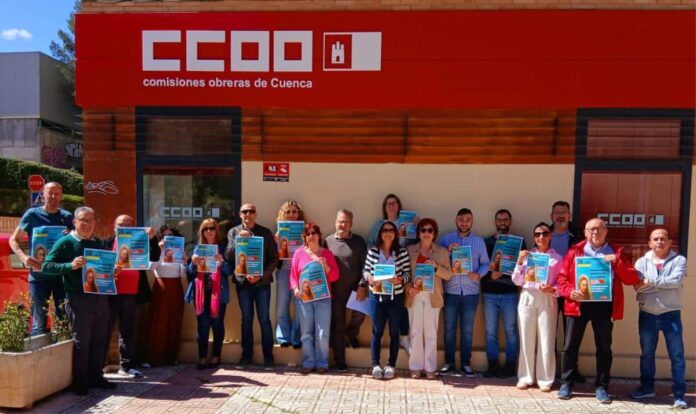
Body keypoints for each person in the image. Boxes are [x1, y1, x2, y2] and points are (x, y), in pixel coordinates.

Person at [556, 218, 640, 404]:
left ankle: (602, 386)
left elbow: (631, 278)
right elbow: (562, 279)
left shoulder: (616, 252)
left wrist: (617, 262)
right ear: (585, 233)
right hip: (578, 304)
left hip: (603, 305)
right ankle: (566, 383)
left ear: (606, 231)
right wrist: (570, 292)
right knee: (570, 346)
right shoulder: (575, 251)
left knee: (604, 347)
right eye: (591, 229)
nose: (595, 232)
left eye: (599, 228)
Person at [42, 206, 119, 395]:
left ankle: (96, 376)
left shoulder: (99, 243)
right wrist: (70, 265)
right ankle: (80, 381)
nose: (87, 224)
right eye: (83, 220)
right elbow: (46, 266)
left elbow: (103, 269)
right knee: (82, 340)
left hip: (100, 296)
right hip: (78, 298)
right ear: (75, 222)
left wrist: (113, 272)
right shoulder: (65, 242)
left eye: (90, 220)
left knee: (100, 339)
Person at [630, 229, 688, 410]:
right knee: (647, 354)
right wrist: (660, 284)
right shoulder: (641, 262)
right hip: (647, 314)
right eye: (656, 239)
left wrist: (650, 282)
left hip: (671, 314)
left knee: (677, 356)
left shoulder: (679, 260)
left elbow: (675, 282)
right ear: (650, 243)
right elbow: (637, 287)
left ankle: (679, 395)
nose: (659, 242)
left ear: (669, 242)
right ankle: (647, 389)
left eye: (663, 239)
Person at [10, 182, 74, 336]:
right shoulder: (32, 215)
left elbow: (77, 242)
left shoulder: (67, 217)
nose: (53, 196)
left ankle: (62, 350)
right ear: (43, 194)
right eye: (50, 193)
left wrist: (70, 236)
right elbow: (13, 240)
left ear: (61, 196)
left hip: (61, 276)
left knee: (64, 321)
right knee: (38, 324)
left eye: (56, 193)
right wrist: (24, 257)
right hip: (38, 277)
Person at [438, 208, 489, 377]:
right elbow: (437, 261)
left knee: (467, 330)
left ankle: (466, 364)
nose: (464, 223)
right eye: (461, 219)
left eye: (468, 219)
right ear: (456, 220)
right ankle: (449, 363)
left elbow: (486, 264)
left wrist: (479, 274)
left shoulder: (479, 241)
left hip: (470, 292)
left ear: (472, 221)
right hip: (450, 290)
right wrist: (448, 252)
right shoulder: (446, 240)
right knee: (449, 329)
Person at [226, 203, 278, 370]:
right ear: (240, 214)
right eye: (245, 211)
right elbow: (228, 256)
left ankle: (268, 358)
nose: (248, 214)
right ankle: (246, 356)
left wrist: (261, 276)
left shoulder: (265, 232)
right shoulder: (233, 232)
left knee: (264, 319)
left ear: (256, 214)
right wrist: (238, 240)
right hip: (243, 283)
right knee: (246, 319)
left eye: (251, 211)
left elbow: (273, 259)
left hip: (262, 284)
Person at [511, 222, 562, 392]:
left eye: (545, 233)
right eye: (538, 234)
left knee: (546, 339)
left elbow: (562, 282)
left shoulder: (557, 258)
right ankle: (525, 377)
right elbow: (516, 280)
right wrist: (519, 261)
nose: (541, 237)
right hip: (528, 296)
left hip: (547, 298)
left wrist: (553, 289)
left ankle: (545, 379)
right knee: (526, 338)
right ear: (534, 237)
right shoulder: (527, 256)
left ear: (550, 236)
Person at [104, 215, 156, 378]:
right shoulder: (106, 243)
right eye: (121, 224)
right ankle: (98, 367)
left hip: (131, 293)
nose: (125, 227)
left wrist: (152, 239)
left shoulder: (139, 242)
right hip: (110, 293)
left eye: (129, 225)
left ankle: (127, 367)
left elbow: (155, 256)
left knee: (128, 331)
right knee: (104, 330)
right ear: (114, 227)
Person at [367, 194, 417, 354]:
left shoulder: (407, 222)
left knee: (403, 304)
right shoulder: (378, 225)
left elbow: (416, 242)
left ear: (399, 205)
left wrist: (417, 226)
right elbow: (370, 245)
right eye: (388, 203)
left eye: (394, 203)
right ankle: (377, 359)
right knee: (379, 325)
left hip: (401, 267)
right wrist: (369, 276)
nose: (391, 206)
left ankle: (404, 336)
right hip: (380, 279)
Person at [363, 220, 411, 380]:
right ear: (380, 233)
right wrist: (369, 278)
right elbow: (366, 271)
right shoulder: (373, 251)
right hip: (376, 297)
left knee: (394, 332)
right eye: (385, 230)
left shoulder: (402, 252)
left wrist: (400, 280)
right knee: (376, 331)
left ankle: (391, 365)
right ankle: (375, 365)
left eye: (391, 230)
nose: (388, 233)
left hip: (395, 297)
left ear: (395, 234)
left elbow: (407, 274)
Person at [405, 218, 452, 380]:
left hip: (433, 296)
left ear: (434, 233)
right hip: (414, 295)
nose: (426, 233)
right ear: (418, 233)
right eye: (423, 230)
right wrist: (408, 288)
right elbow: (404, 274)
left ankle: (430, 367)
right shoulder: (409, 250)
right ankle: (415, 366)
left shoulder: (442, 252)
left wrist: (436, 267)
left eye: (430, 230)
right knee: (415, 331)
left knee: (431, 333)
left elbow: (449, 274)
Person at [290, 223, 340, 374]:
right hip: (304, 298)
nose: (311, 236)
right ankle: (308, 362)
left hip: (323, 298)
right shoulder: (298, 254)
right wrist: (295, 289)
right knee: (306, 332)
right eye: (308, 234)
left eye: (314, 233)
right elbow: (293, 276)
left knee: (322, 333)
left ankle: (322, 363)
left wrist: (326, 266)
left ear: (319, 235)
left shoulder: (327, 254)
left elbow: (335, 276)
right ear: (304, 237)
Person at [482, 209, 526, 378]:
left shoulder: (519, 242)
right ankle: (492, 364)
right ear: (495, 222)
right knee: (490, 332)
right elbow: (480, 265)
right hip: (490, 293)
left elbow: (525, 267)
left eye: (505, 219)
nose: (502, 222)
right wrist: (489, 276)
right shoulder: (486, 242)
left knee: (511, 331)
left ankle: (510, 365)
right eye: (499, 219)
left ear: (510, 221)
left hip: (509, 293)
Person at [324, 209, 368, 372]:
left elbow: (366, 266)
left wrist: (362, 285)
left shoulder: (359, 241)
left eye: (347, 222)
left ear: (351, 224)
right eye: (341, 221)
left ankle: (352, 333)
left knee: (361, 313)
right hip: (335, 291)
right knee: (337, 325)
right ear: (335, 222)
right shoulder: (327, 241)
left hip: (356, 289)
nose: (343, 225)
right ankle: (340, 360)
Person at [186, 218, 231, 370]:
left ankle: (216, 356)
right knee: (203, 326)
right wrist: (193, 263)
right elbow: (190, 272)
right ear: (202, 232)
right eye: (206, 229)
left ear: (216, 230)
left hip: (218, 293)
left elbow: (229, 272)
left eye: (212, 228)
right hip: (201, 293)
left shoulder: (223, 248)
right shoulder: (197, 249)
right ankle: (202, 357)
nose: (209, 231)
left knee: (217, 325)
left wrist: (222, 262)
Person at [549, 200, 586, 383]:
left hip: (571, 291)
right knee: (550, 331)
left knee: (571, 333)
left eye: (564, 212)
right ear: (551, 216)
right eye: (557, 212)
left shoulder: (578, 236)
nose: (560, 216)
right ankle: (550, 370)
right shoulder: (544, 234)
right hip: (549, 290)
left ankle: (571, 369)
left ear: (569, 215)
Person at [148, 226, 187, 366]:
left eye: (171, 235)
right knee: (159, 321)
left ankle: (171, 357)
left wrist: (183, 261)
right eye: (164, 236)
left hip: (176, 287)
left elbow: (183, 274)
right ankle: (154, 357)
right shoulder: (156, 250)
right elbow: (151, 267)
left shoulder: (179, 250)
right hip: (161, 287)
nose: (167, 238)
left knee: (174, 321)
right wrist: (159, 250)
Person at [274, 200, 305, 349]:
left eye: (294, 211)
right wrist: (276, 242)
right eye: (288, 211)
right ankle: (283, 337)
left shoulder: (305, 230)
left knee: (300, 308)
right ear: (283, 214)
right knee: (281, 307)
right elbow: (272, 256)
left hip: (300, 273)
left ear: (299, 213)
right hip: (284, 272)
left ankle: (296, 338)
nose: (292, 214)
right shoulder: (278, 231)